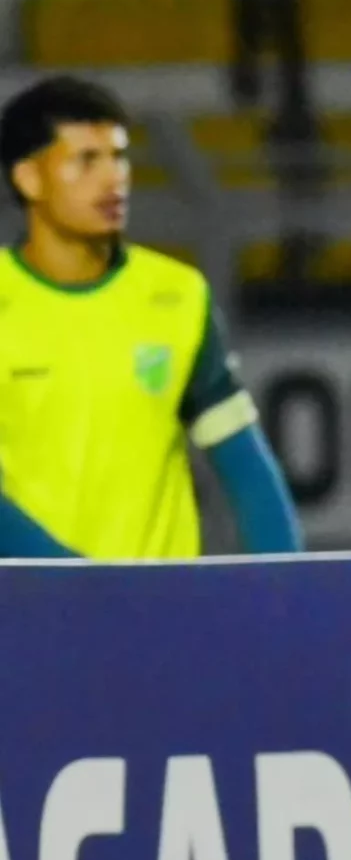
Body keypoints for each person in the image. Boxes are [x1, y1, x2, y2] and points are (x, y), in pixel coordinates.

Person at [0, 76, 301, 559]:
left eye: (119, 157)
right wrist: (74, 583)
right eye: (87, 160)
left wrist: (289, 584)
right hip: (26, 601)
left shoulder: (176, 297)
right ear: (28, 178)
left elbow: (245, 466)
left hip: (158, 601)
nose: (113, 178)